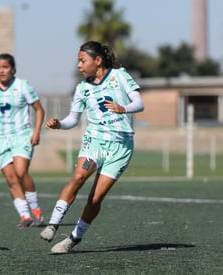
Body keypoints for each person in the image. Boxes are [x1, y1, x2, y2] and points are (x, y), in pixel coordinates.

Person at [39, 41, 144, 253]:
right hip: (95, 141)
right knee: (78, 177)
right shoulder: (82, 88)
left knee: (95, 198)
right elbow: (73, 119)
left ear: (97, 61)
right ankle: (53, 224)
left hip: (121, 145)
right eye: (78, 60)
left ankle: (73, 239)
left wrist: (124, 108)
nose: (78, 65)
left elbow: (139, 103)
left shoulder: (120, 76)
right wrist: (60, 124)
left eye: (82, 60)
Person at [0, 53, 45, 228]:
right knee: (11, 179)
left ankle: (35, 209)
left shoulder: (22, 86)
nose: (1, 70)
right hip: (0, 138)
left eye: (5, 67)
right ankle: (25, 216)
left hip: (22, 135)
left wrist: (36, 132)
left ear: (13, 69)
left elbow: (39, 109)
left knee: (20, 173)